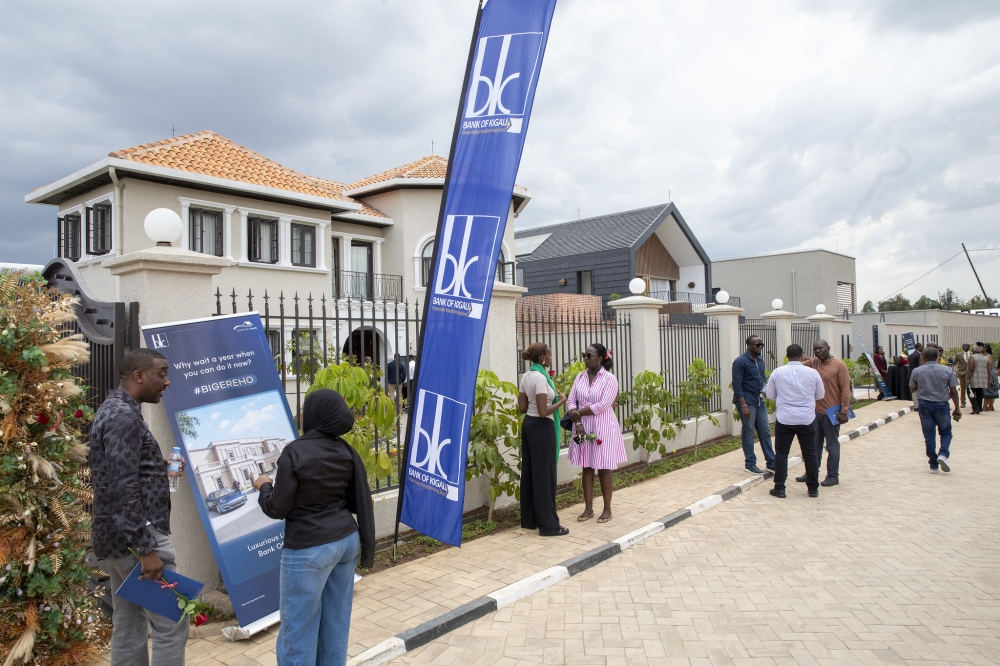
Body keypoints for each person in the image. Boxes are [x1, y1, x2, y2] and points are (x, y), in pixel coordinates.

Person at [254, 388, 375, 666]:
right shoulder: (345, 450)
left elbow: (276, 508)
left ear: (315, 414)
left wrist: (264, 486)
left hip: (309, 548)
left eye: (304, 410)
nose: (301, 415)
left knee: (297, 629)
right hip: (346, 541)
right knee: (335, 623)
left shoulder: (295, 452)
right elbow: (352, 498)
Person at [90, 349, 188, 666]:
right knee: (171, 622)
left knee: (130, 624)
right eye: (162, 373)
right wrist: (146, 550)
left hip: (117, 539)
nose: (167, 381)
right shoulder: (123, 417)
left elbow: (120, 471)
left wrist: (158, 467)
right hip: (136, 542)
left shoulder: (114, 409)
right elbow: (122, 489)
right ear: (139, 376)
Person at [567, 343, 627, 523]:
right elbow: (571, 402)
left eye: (589, 356)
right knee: (586, 467)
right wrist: (577, 422)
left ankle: (607, 509)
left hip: (603, 427)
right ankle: (588, 509)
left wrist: (577, 413)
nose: (585, 359)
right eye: (584, 355)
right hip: (582, 426)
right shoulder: (579, 377)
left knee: (603, 468)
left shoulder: (609, 379)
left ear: (600, 358)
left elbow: (602, 405)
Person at [517, 343, 569, 537]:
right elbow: (543, 411)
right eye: (549, 355)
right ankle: (549, 526)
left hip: (529, 426)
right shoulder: (540, 378)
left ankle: (532, 520)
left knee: (531, 473)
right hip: (541, 427)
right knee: (545, 477)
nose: (551, 358)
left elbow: (523, 408)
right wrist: (562, 400)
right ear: (542, 358)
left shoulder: (526, 377)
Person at [765, 344, 824, 498]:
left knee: (781, 453)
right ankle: (813, 489)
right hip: (807, 418)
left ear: (787, 356)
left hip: (785, 419)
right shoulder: (812, 373)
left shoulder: (778, 372)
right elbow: (820, 395)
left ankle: (780, 488)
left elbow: (770, 394)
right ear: (802, 356)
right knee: (810, 454)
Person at [797, 340, 851, 487]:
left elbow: (845, 388)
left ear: (828, 348)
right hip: (815, 412)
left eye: (820, 348)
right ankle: (811, 473)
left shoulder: (839, 365)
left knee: (832, 446)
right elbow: (796, 365)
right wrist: (802, 358)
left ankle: (833, 475)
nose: (818, 351)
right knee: (814, 445)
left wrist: (844, 410)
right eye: (815, 349)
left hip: (831, 412)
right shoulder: (813, 363)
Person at [908, 345, 961, 474]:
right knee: (946, 432)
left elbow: (912, 389)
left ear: (923, 357)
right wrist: (957, 408)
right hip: (942, 404)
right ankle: (943, 454)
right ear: (938, 356)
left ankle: (933, 464)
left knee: (929, 435)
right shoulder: (947, 370)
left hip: (924, 404)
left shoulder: (917, 371)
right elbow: (953, 391)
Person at [731, 335, 776, 474]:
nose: (760, 347)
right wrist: (743, 405)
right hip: (747, 401)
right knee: (749, 431)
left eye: (761, 344)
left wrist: (764, 393)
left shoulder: (760, 360)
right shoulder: (740, 361)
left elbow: (762, 379)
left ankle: (772, 463)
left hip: (759, 400)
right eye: (758, 345)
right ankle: (750, 464)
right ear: (749, 346)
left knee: (765, 431)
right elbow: (737, 384)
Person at [967, 343, 993, 414]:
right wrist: (988, 380)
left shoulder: (972, 357)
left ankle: (975, 408)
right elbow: (988, 369)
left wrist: (967, 379)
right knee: (979, 394)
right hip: (983, 378)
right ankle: (979, 409)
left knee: (970, 392)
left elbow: (970, 369)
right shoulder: (985, 358)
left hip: (974, 378)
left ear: (974, 349)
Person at [953, 344, 970, 408]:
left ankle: (974, 401)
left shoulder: (972, 354)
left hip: (971, 372)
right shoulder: (959, 354)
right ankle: (963, 402)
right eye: (963, 346)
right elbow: (954, 363)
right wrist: (956, 371)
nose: (964, 347)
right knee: (962, 388)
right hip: (962, 373)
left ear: (969, 347)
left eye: (966, 346)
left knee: (973, 388)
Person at [984, 343, 997, 412]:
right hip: (992, 373)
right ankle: (991, 406)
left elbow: (989, 366)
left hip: (989, 374)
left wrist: (988, 377)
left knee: (988, 389)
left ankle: (985, 406)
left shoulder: (987, 356)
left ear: (986, 348)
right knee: (992, 389)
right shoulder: (988, 355)